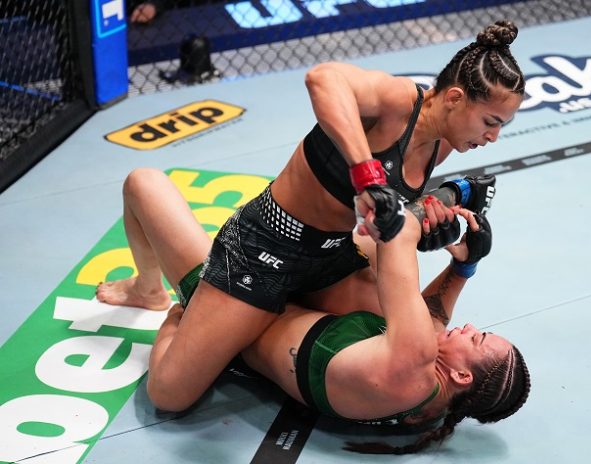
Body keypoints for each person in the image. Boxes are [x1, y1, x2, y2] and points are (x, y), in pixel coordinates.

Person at [97, 20, 526, 412]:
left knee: (411, 330)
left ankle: (224, 314)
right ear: (454, 98)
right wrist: (365, 172)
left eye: (501, 127)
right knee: (170, 394)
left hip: (332, 257)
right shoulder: (397, 102)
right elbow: (322, 77)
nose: (493, 136)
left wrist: (429, 220)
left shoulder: (442, 143)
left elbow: (387, 223)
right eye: (490, 122)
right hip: (264, 252)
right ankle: (159, 293)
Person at [99, 168, 530, 454]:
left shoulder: (413, 361)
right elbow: (431, 319)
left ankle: (153, 293)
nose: (469, 326)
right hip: (298, 298)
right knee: (375, 270)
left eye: (477, 338)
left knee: (143, 184)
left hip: (240, 296)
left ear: (462, 376)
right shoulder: (432, 407)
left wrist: (437, 204)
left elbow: (398, 234)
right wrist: (463, 267)